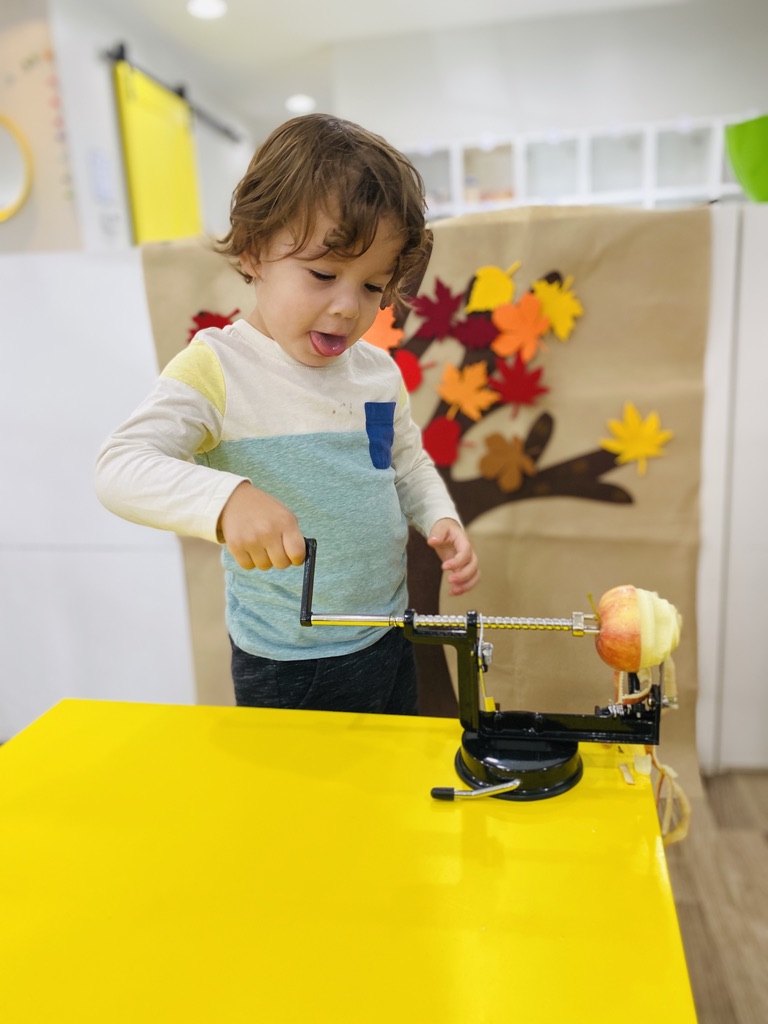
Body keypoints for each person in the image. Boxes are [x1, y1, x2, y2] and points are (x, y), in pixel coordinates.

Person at [95, 113, 479, 716]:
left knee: (389, 770)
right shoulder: (218, 368)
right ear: (253, 252)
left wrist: (439, 514)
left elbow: (405, 464)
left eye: (373, 286)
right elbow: (119, 467)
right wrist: (228, 501)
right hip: (287, 664)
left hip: (389, 634)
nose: (348, 307)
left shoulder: (377, 374)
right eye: (323, 274)